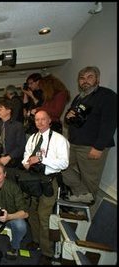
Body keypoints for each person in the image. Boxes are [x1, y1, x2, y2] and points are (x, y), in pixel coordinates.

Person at [21, 109, 69, 264]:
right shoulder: (33, 138)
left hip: (49, 180)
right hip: (33, 180)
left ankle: (47, 252)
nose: (39, 122)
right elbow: (25, 157)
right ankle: (36, 240)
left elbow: (64, 163)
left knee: (43, 215)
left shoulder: (59, 139)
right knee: (32, 212)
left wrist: (42, 158)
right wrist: (26, 164)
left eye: (43, 119)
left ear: (49, 121)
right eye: (37, 120)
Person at [62, 66, 117, 204]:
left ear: (97, 79)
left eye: (89, 77)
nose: (85, 81)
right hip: (74, 144)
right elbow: (68, 121)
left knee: (90, 180)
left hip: (92, 146)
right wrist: (68, 117)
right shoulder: (79, 98)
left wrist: (98, 147)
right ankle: (82, 194)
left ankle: (89, 218)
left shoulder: (107, 96)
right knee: (60, 166)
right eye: (82, 78)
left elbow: (110, 123)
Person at [0, 100, 26, 170]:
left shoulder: (18, 126)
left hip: (13, 163)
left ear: (8, 110)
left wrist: (8, 157)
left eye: (0, 109)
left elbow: (21, 146)